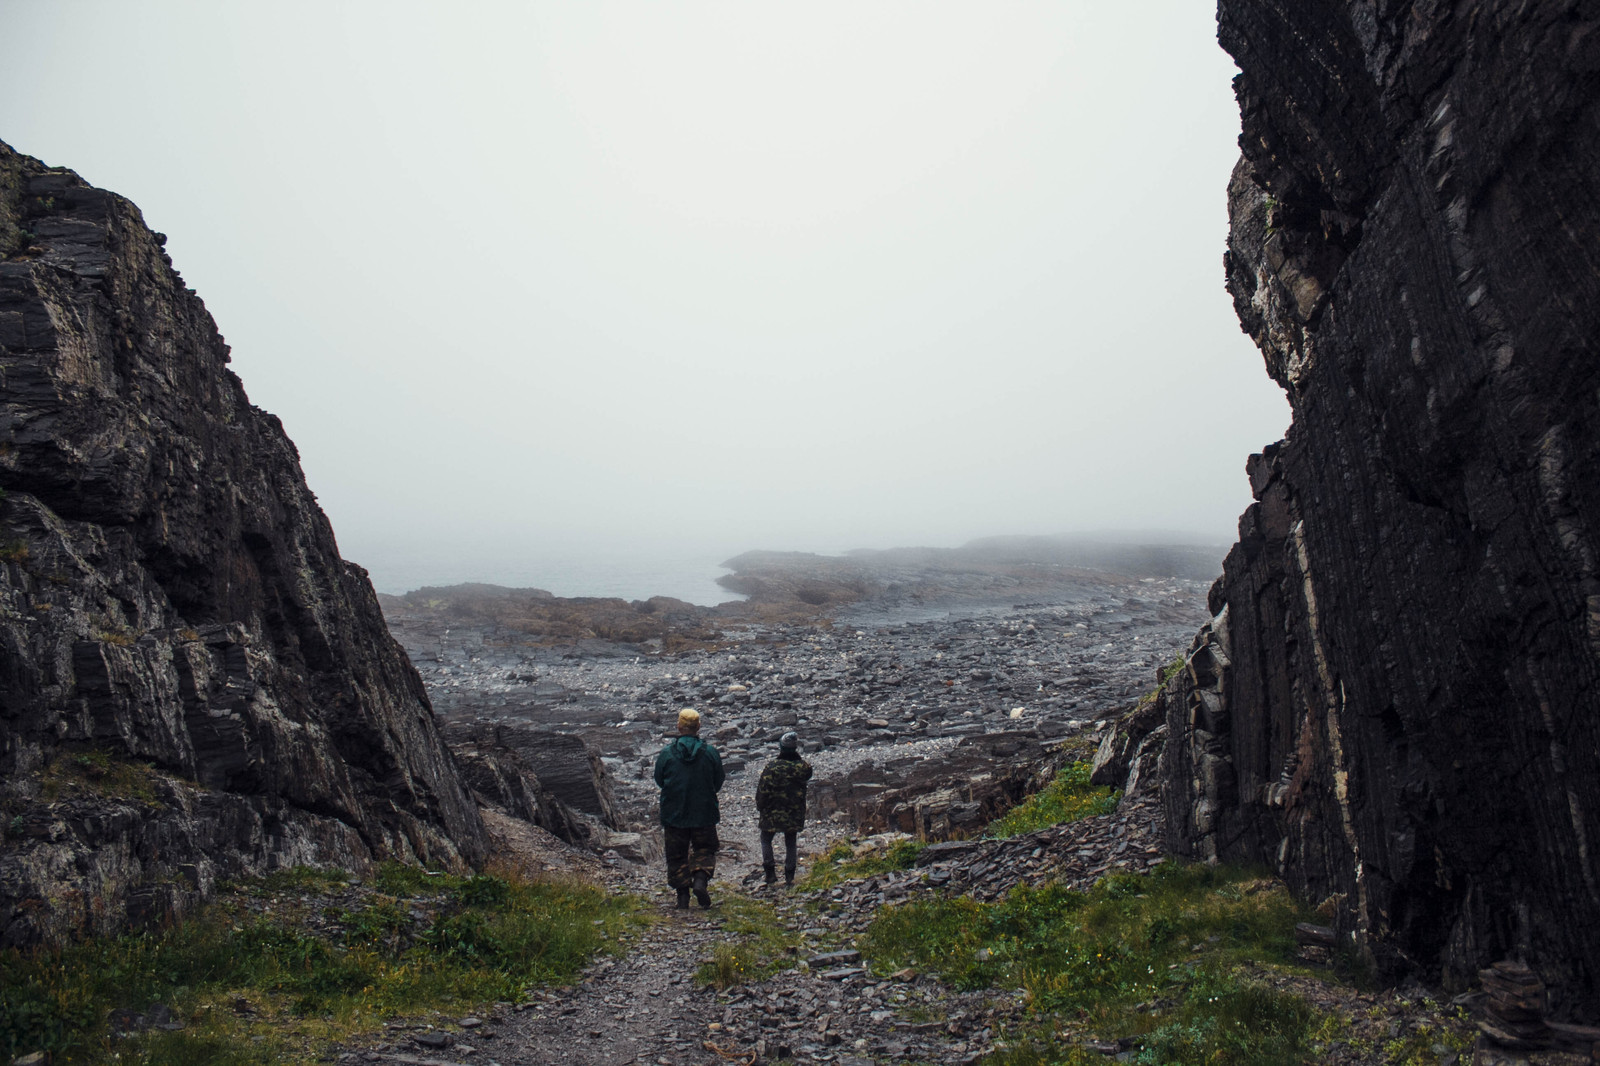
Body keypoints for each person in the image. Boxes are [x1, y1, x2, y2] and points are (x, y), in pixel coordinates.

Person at [654, 708, 725, 908]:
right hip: (704, 812)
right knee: (705, 848)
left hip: (674, 813)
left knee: (676, 853)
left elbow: (659, 779)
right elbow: (718, 780)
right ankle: (700, 881)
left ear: (678, 726)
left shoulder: (667, 753)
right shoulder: (710, 752)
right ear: (698, 727)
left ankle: (682, 897)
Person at [755, 730, 813, 887]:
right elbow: (808, 773)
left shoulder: (772, 767)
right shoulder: (803, 767)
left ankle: (770, 873)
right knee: (791, 841)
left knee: (766, 839)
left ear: (781, 747)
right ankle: (789, 875)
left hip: (772, 811)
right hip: (794, 812)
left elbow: (763, 790)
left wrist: (760, 805)